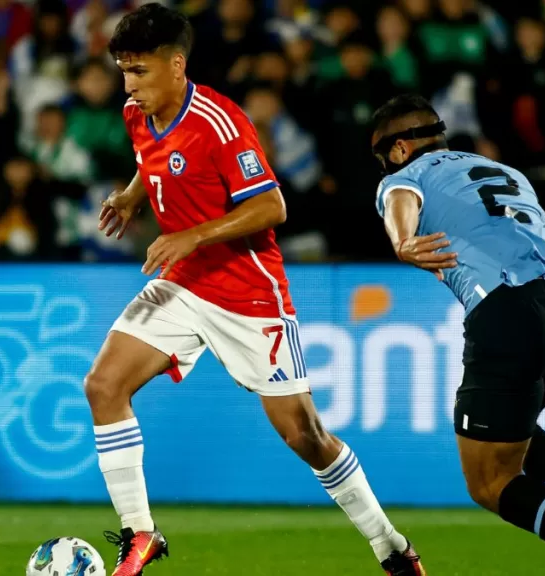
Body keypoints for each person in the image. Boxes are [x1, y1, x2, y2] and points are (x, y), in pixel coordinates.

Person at [87, 6, 425, 576]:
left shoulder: (221, 123)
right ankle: (141, 535)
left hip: (247, 295)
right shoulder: (135, 113)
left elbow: (272, 205)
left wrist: (192, 235)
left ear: (177, 65)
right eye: (124, 71)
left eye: (140, 72)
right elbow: (153, 161)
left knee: (306, 435)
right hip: (182, 284)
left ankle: (390, 546)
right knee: (102, 386)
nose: (130, 85)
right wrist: (130, 196)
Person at [369, 94, 545, 576]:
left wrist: (402, 242)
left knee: (488, 480)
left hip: (507, 313)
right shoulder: (507, 173)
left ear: (398, 149)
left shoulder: (406, 176)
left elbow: (400, 200)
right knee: (521, 431)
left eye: (382, 159)